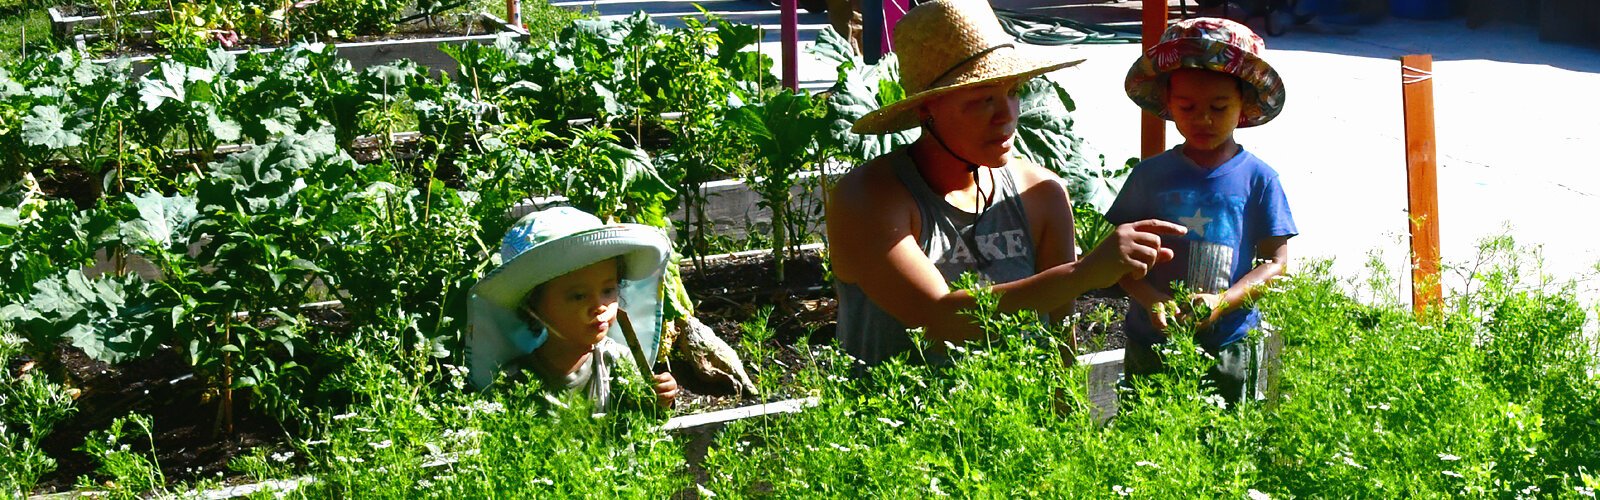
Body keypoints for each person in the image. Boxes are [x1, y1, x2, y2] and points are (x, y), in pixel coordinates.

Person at [828, 0, 1187, 369]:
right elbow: (938, 319)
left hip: (1020, 423)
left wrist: (1067, 419)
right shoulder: (871, 197)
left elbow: (1060, 336)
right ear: (926, 108)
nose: (1007, 115)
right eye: (983, 99)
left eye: (1013, 92)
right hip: (904, 423)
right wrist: (1085, 273)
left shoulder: (1041, 192)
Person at [1112, 18, 1297, 405]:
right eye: (1187, 106)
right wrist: (1151, 299)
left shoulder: (1259, 179)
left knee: (1223, 443)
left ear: (1244, 104)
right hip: (1151, 339)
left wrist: (1225, 301)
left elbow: (1276, 262)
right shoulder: (1149, 175)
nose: (1203, 119)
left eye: (1218, 106)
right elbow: (1115, 259)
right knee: (1146, 438)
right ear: (1167, 102)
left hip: (1229, 342)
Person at [466, 207, 680, 411]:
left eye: (608, 290)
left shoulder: (615, 361)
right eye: (578, 296)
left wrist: (659, 400)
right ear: (533, 306)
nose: (599, 306)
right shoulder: (515, 379)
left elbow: (642, 422)